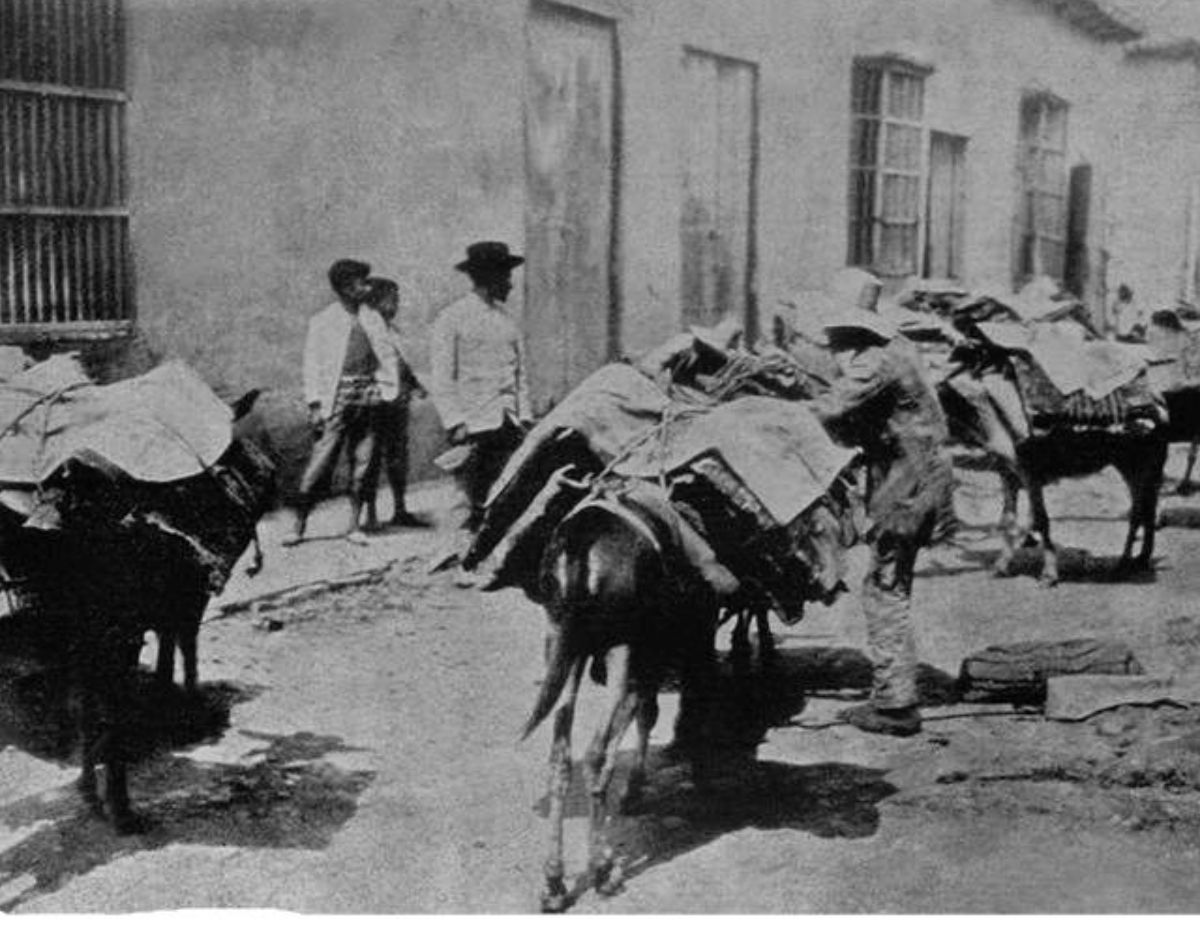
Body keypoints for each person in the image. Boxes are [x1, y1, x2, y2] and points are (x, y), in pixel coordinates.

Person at [808, 268, 957, 737]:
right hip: (918, 471)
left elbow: (829, 410)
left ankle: (895, 706)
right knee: (892, 582)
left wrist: (769, 414)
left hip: (906, 480)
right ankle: (895, 692)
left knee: (884, 586)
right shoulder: (898, 348)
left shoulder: (875, 362)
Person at [284, 258, 398, 547]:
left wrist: (385, 389)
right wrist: (314, 404)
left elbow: (387, 356)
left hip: (368, 396)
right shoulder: (322, 321)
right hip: (336, 398)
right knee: (320, 463)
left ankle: (354, 525)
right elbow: (311, 364)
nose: (367, 287)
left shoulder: (372, 318)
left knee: (363, 463)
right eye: (362, 282)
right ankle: (298, 526)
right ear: (346, 288)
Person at [429, 241, 531, 533]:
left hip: (508, 421)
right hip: (473, 422)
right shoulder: (451, 318)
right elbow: (442, 376)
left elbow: (521, 374)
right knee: (466, 495)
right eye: (506, 276)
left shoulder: (508, 321)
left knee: (505, 491)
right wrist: (455, 420)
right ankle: (454, 549)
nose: (510, 284)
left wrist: (524, 415)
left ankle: (491, 548)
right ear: (490, 277)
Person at [359, 277, 431, 531]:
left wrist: (415, 384)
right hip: (375, 401)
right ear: (378, 299)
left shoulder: (392, 330)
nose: (397, 305)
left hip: (398, 401)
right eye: (393, 299)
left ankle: (400, 509)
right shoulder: (365, 327)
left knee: (398, 456)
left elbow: (401, 362)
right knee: (372, 457)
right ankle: (370, 514)